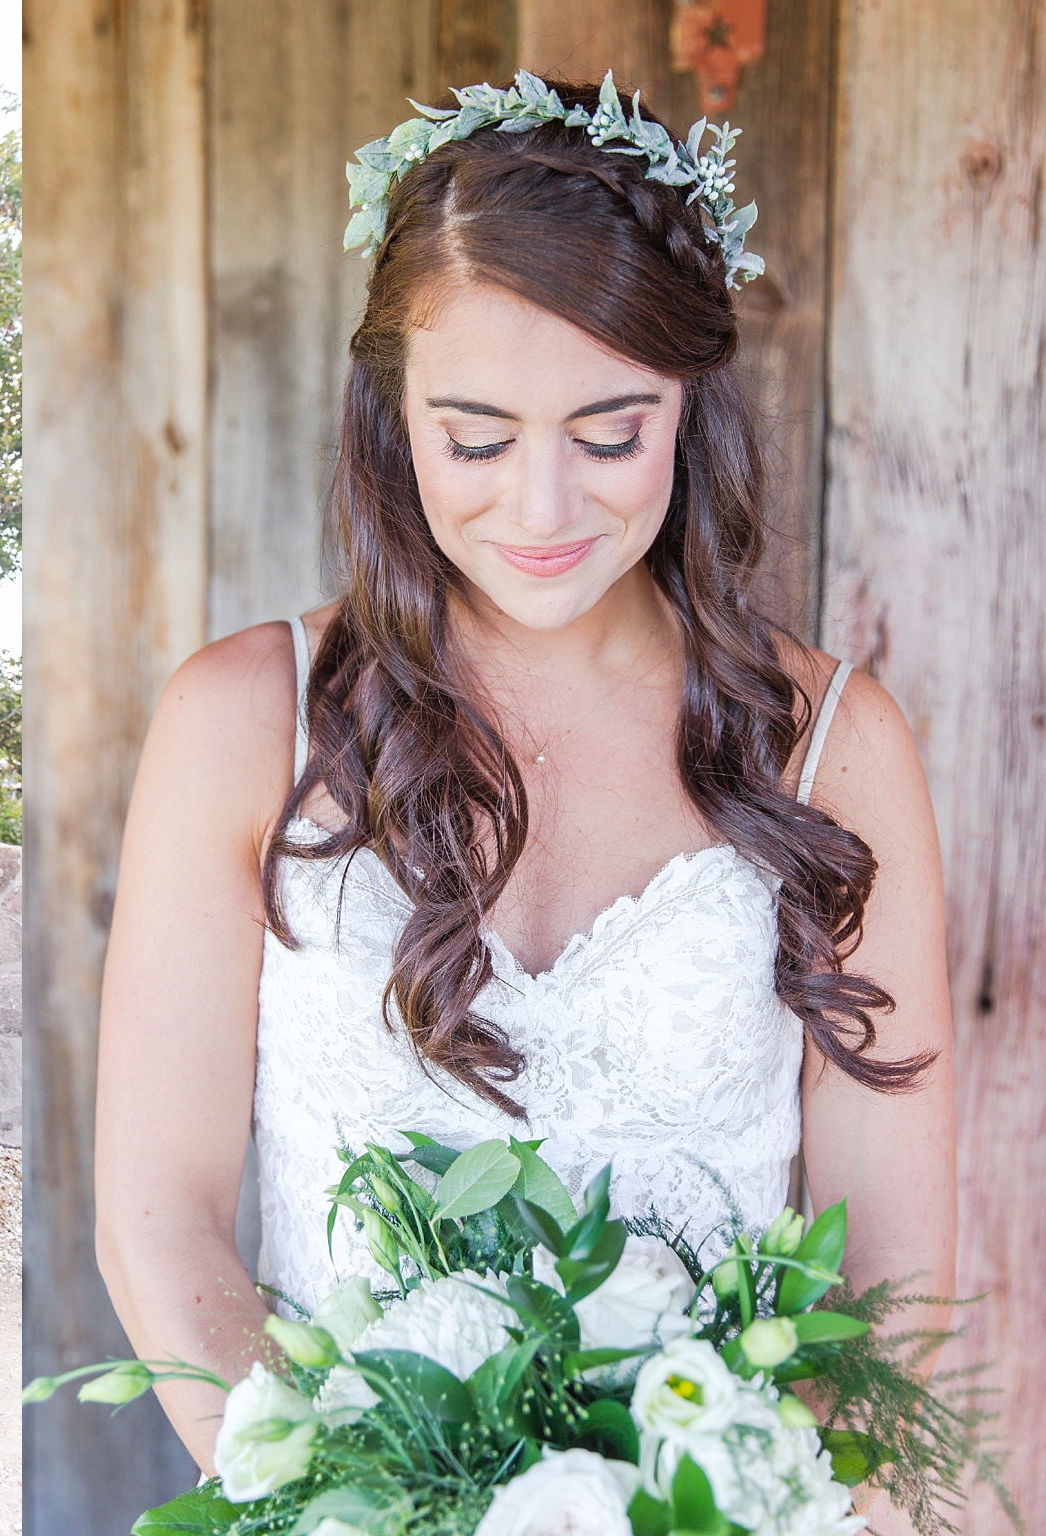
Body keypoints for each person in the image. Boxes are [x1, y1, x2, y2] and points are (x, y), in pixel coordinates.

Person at [91, 77, 957, 1473]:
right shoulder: (242, 722)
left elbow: (890, 1288)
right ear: (396, 411)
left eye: (610, 434)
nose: (540, 511)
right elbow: (161, 1210)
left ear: (692, 401)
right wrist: (336, 1497)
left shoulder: (835, 747)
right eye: (477, 439)